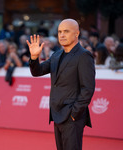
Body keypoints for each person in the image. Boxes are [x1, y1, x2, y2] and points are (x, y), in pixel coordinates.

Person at [27, 19, 95, 150]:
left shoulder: (84, 56)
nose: (62, 35)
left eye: (66, 31)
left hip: (71, 116)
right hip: (57, 114)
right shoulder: (57, 55)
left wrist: (74, 114)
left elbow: (87, 88)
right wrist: (34, 58)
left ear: (76, 34)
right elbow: (37, 72)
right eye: (59, 32)